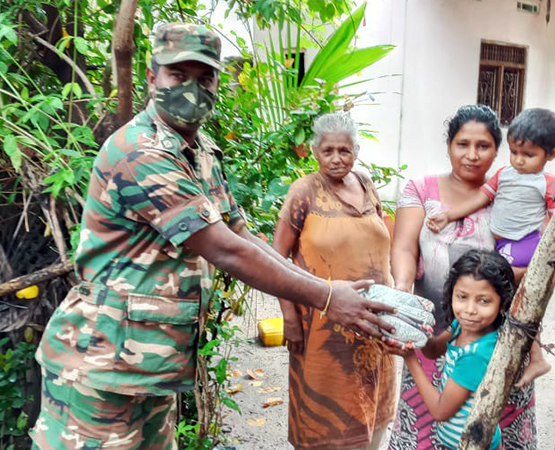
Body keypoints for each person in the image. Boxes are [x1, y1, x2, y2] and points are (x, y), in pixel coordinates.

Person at [29, 24, 396, 450]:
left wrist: (327, 291)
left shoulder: (199, 149)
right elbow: (223, 248)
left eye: (204, 79)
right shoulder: (141, 151)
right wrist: (328, 296)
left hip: (145, 369)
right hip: (99, 368)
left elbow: (241, 233)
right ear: (152, 77)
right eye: (177, 76)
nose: (191, 89)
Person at [388, 105, 547, 450]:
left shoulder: (512, 193)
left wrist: (518, 274)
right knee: (429, 428)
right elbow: (403, 249)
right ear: (448, 145)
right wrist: (402, 287)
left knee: (493, 433)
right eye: (463, 144)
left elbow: (537, 248)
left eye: (484, 146)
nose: (472, 155)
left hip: (497, 345)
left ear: (496, 150)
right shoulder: (420, 189)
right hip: (435, 337)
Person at [272, 113, 396, 450]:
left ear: (356, 151)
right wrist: (289, 318)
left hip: (374, 326)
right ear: (315, 152)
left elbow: (383, 241)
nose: (336, 158)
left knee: (374, 412)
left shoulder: (367, 184)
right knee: (325, 420)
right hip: (322, 329)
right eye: (328, 151)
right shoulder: (304, 192)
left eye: (344, 150)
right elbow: (275, 258)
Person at [390, 249, 516, 450]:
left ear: (502, 302)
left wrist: (410, 359)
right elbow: (435, 349)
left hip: (474, 445)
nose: (470, 309)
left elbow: (440, 411)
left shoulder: (476, 355)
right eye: (462, 297)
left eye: (484, 301)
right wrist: (419, 333)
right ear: (452, 293)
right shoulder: (464, 325)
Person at [427, 108, 555, 269]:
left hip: (524, 243)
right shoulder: (503, 174)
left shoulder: (548, 182)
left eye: (528, 155)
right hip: (499, 243)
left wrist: (551, 249)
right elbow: (479, 198)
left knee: (496, 279)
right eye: (514, 152)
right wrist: (448, 216)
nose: (519, 160)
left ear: (551, 154)